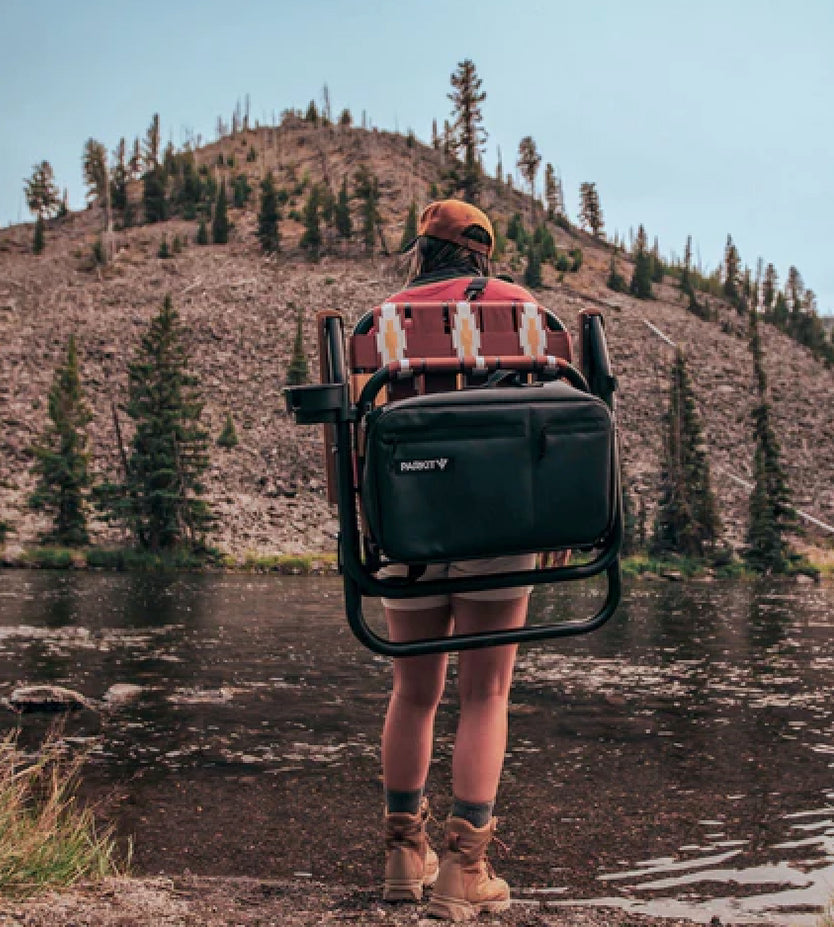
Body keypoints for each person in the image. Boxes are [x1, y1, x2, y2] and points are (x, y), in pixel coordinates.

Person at [377, 200, 537, 921]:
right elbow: (551, 421)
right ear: (481, 254)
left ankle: (403, 853)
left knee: (413, 693)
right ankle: (463, 869)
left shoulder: (379, 319)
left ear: (423, 252)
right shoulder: (516, 305)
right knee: (485, 693)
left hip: (401, 530)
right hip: (496, 528)